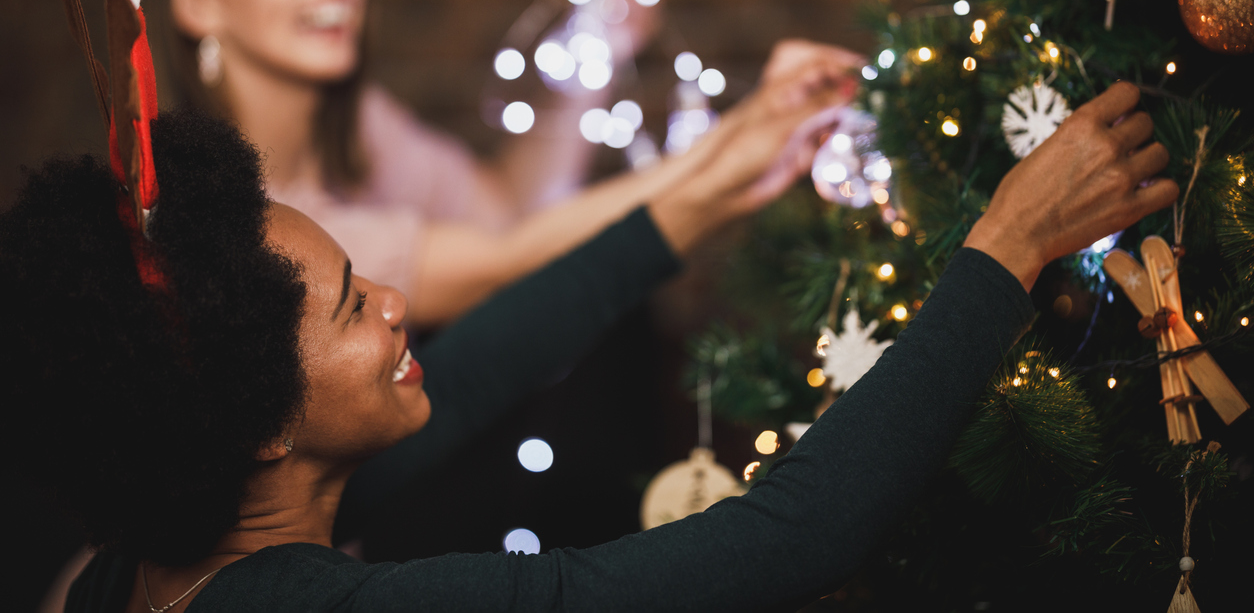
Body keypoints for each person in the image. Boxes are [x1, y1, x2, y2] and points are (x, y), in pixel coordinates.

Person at [3, 73, 1176, 612]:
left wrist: (705, 188)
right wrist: (1008, 244)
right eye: (356, 304)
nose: (401, 301)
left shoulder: (166, 555)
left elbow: (485, 364)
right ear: (262, 420)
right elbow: (790, 539)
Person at [135, 0, 860, 326]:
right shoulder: (221, 218)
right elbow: (503, 263)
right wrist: (743, 135)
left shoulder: (361, 126)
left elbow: (505, 214)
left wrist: (594, 54)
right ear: (195, 1)